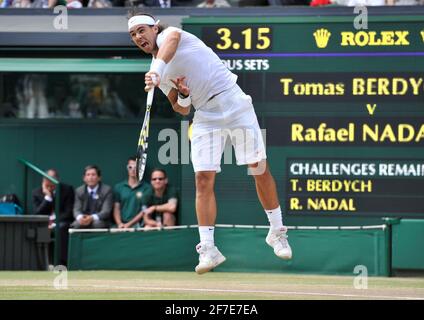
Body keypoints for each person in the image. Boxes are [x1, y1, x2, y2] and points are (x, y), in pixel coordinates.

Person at [128, 12, 292, 274]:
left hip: (234, 102)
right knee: (202, 179)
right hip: (205, 114)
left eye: (141, 30)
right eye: (133, 35)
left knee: (258, 168)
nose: (138, 37)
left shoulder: (173, 36)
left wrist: (157, 71)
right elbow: (181, 109)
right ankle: (208, 249)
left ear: (155, 28)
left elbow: (168, 47)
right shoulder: (155, 72)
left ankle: (277, 231)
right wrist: (182, 94)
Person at [32, 169, 74, 266]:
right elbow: (38, 213)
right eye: (47, 180)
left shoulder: (67, 189)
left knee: (61, 228)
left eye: (52, 180)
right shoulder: (36, 192)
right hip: (45, 222)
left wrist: (54, 223)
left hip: (61, 221)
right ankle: (43, 264)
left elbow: (68, 212)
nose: (50, 183)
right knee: (41, 229)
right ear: (43, 181)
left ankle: (61, 264)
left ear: (57, 180)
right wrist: (48, 197)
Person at [112, 156, 151, 228]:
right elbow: (116, 208)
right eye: (130, 167)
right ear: (127, 168)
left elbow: (144, 210)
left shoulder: (147, 188)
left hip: (139, 225)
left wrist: (128, 225)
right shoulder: (118, 187)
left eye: (136, 167)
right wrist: (120, 224)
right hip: (120, 226)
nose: (133, 169)